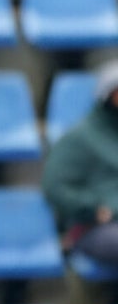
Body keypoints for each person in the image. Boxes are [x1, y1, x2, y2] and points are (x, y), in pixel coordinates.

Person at [42, 60, 118, 267]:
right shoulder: (81, 138)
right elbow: (55, 186)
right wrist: (92, 208)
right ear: (110, 96)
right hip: (94, 229)